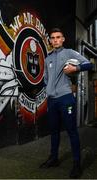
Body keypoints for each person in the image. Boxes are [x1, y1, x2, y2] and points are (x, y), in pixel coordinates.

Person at [39, 28, 93, 178]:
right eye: (53, 38)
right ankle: (54, 158)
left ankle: (77, 164)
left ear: (63, 39)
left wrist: (76, 68)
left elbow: (89, 65)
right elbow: (45, 79)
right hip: (52, 100)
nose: (55, 40)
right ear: (50, 40)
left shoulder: (69, 53)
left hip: (66, 98)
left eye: (58, 37)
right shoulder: (47, 58)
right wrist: (49, 89)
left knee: (71, 131)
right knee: (54, 131)